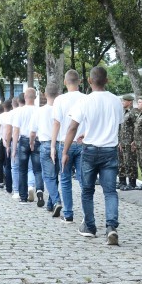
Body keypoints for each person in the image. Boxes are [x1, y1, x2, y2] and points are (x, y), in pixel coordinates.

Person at [63, 66, 123, 245]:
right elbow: (116, 124)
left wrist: (65, 151)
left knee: (87, 190)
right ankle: (111, 227)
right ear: (107, 80)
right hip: (109, 150)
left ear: (89, 81)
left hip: (89, 150)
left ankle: (89, 226)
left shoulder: (85, 101)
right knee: (110, 191)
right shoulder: (116, 101)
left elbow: (72, 127)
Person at [52, 70, 85, 223]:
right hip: (82, 142)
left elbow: (56, 123)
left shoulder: (59, 100)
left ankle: (68, 213)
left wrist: (53, 146)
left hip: (64, 143)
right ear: (79, 81)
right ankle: (87, 213)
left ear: (65, 82)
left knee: (65, 179)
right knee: (84, 179)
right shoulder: (86, 98)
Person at [31, 85, 62, 215]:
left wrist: (31, 143)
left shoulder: (39, 111)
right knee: (55, 176)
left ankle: (56, 201)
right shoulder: (61, 109)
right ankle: (50, 204)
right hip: (59, 143)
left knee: (48, 177)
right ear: (58, 94)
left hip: (45, 144)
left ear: (44, 94)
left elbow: (32, 131)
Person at [117, 94, 136, 190]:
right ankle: (122, 181)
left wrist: (134, 141)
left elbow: (136, 128)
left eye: (124, 101)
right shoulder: (124, 113)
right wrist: (120, 141)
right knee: (122, 163)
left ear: (130, 102)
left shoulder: (133, 113)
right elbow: (121, 129)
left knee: (130, 162)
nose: (122, 103)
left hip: (129, 142)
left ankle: (132, 183)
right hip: (123, 142)